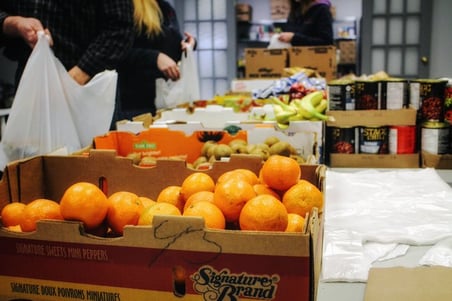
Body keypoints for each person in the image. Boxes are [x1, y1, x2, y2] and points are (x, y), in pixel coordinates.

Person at [0, 1, 135, 87]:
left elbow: (119, 29)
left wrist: (74, 80)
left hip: (87, 86)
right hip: (29, 84)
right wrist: (12, 23)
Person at [114, 0, 196, 122]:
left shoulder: (166, 8)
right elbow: (115, 51)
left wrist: (188, 44)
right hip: (135, 104)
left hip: (165, 100)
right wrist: (155, 58)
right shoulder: (126, 6)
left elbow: (170, 45)